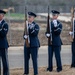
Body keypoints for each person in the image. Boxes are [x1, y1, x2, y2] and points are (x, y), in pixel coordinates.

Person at [0, 10, 9, 75]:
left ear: (2, 16)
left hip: (3, 45)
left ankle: (5, 73)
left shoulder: (5, 24)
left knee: (4, 60)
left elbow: (3, 34)